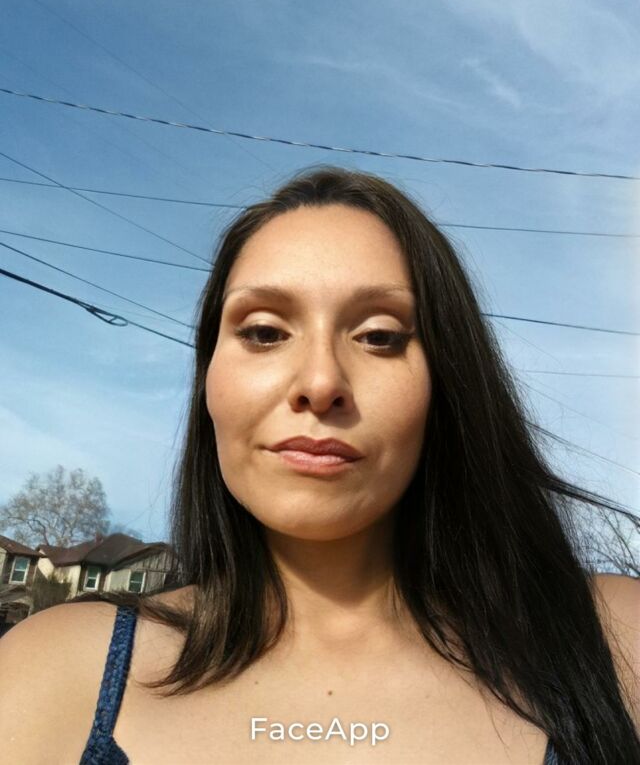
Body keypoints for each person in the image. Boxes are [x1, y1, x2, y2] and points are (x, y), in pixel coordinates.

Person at [0, 166, 638, 764]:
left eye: (379, 336)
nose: (321, 382)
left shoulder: (618, 640)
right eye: (264, 332)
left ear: (449, 382)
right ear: (208, 380)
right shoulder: (48, 670)